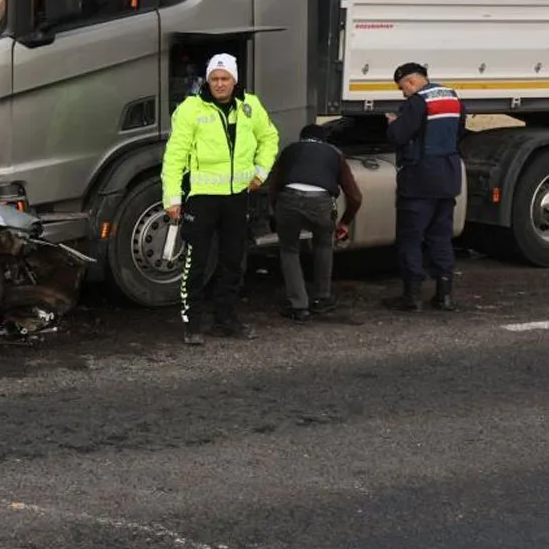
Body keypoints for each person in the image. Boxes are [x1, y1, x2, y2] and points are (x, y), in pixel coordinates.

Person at [161, 53, 280, 344]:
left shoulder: (251, 106)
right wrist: (173, 197)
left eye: (225, 78)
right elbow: (174, 156)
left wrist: (260, 173)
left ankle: (225, 320)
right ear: (208, 80)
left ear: (235, 80)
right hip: (201, 198)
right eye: (214, 78)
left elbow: (270, 138)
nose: (219, 84)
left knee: (233, 261)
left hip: (237, 197)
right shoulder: (191, 109)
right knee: (196, 262)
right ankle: (192, 325)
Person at [383, 62, 466, 312]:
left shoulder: (417, 102)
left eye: (402, 88)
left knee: (411, 238)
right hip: (448, 178)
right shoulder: (453, 98)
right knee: (441, 238)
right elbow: (458, 132)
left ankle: (412, 297)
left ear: (410, 82)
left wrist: (393, 123)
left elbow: (399, 136)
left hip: (419, 179)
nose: (403, 93)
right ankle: (444, 295)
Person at [263, 123, 364, 321]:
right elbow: (355, 197)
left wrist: (277, 210)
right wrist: (345, 222)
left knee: (289, 250)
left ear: (302, 138)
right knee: (324, 246)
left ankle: (298, 305)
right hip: (321, 203)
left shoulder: (290, 151)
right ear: (324, 141)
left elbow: (274, 184)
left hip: (288, 199)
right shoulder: (334, 153)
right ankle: (322, 299)